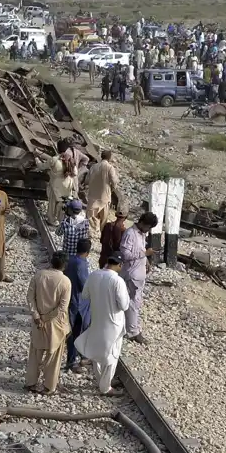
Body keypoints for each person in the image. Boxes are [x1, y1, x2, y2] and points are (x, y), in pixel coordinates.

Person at [74, 253, 130, 396]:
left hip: (97, 319)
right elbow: (124, 305)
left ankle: (102, 380)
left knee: (97, 351)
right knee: (112, 354)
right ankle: (106, 387)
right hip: (113, 323)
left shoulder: (94, 275)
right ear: (119, 265)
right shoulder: (117, 281)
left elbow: (85, 295)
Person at [25, 251, 71, 395]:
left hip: (38, 322)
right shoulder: (65, 281)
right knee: (54, 356)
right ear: (65, 266)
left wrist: (37, 316)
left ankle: (30, 382)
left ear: (51, 262)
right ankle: (49, 386)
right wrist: (46, 318)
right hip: (55, 323)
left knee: (35, 353)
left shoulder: (39, 275)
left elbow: (30, 297)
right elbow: (62, 307)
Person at [119, 211, 158, 345]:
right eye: (148, 227)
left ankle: (127, 328)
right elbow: (125, 254)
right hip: (131, 274)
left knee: (135, 303)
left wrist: (146, 260)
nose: (148, 230)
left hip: (139, 273)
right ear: (142, 223)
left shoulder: (142, 234)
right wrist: (144, 253)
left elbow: (140, 250)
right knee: (133, 303)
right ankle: (133, 332)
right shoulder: (130, 234)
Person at [65, 239, 91, 375]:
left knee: (77, 331)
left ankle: (81, 356)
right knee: (76, 332)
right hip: (79, 303)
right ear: (88, 252)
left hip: (70, 300)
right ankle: (72, 361)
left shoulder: (70, 260)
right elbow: (84, 285)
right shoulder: (82, 264)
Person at [85, 150, 125, 237]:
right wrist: (111, 189)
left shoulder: (93, 167)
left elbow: (87, 181)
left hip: (92, 197)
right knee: (103, 219)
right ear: (109, 158)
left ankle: (92, 234)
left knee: (91, 217)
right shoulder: (110, 168)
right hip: (105, 197)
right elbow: (114, 182)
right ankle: (102, 236)